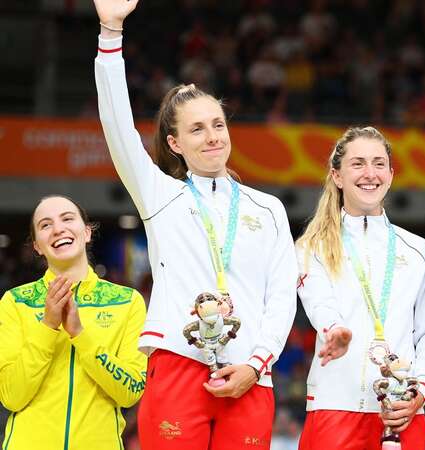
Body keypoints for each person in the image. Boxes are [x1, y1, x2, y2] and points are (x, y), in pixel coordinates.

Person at [93, 1, 297, 448]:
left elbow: (281, 298)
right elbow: (117, 126)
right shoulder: (160, 195)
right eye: (198, 129)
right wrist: (111, 34)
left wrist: (257, 364)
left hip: (249, 372)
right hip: (177, 364)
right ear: (175, 142)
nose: (213, 137)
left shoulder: (268, 210)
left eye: (218, 124)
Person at [295, 127, 425, 450]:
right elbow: (319, 302)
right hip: (334, 407)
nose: (370, 174)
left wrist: (419, 390)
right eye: (358, 163)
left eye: (379, 164)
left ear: (391, 175)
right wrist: (335, 330)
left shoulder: (419, 250)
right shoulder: (313, 247)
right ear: (337, 175)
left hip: (401, 411)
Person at [0, 195, 147, 449]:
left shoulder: (127, 302)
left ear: (87, 232)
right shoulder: (15, 302)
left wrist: (80, 334)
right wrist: (47, 326)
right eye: (45, 225)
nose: (58, 229)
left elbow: (131, 391)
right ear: (37, 246)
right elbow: (12, 396)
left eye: (67, 219)